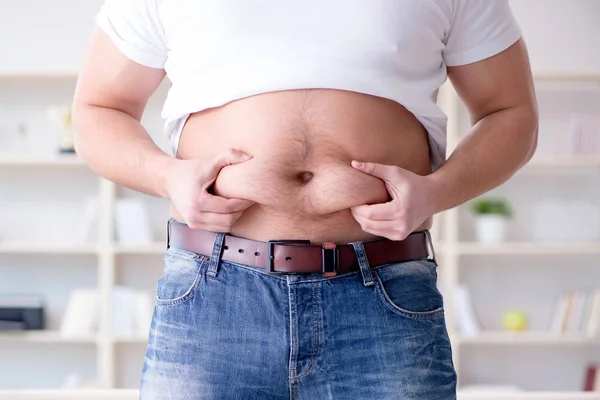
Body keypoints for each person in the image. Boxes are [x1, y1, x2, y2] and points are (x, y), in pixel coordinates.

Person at [72, 0, 538, 398]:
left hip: (383, 293)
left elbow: (511, 112)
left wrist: (437, 191)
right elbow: (99, 108)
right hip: (213, 296)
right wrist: (166, 176)